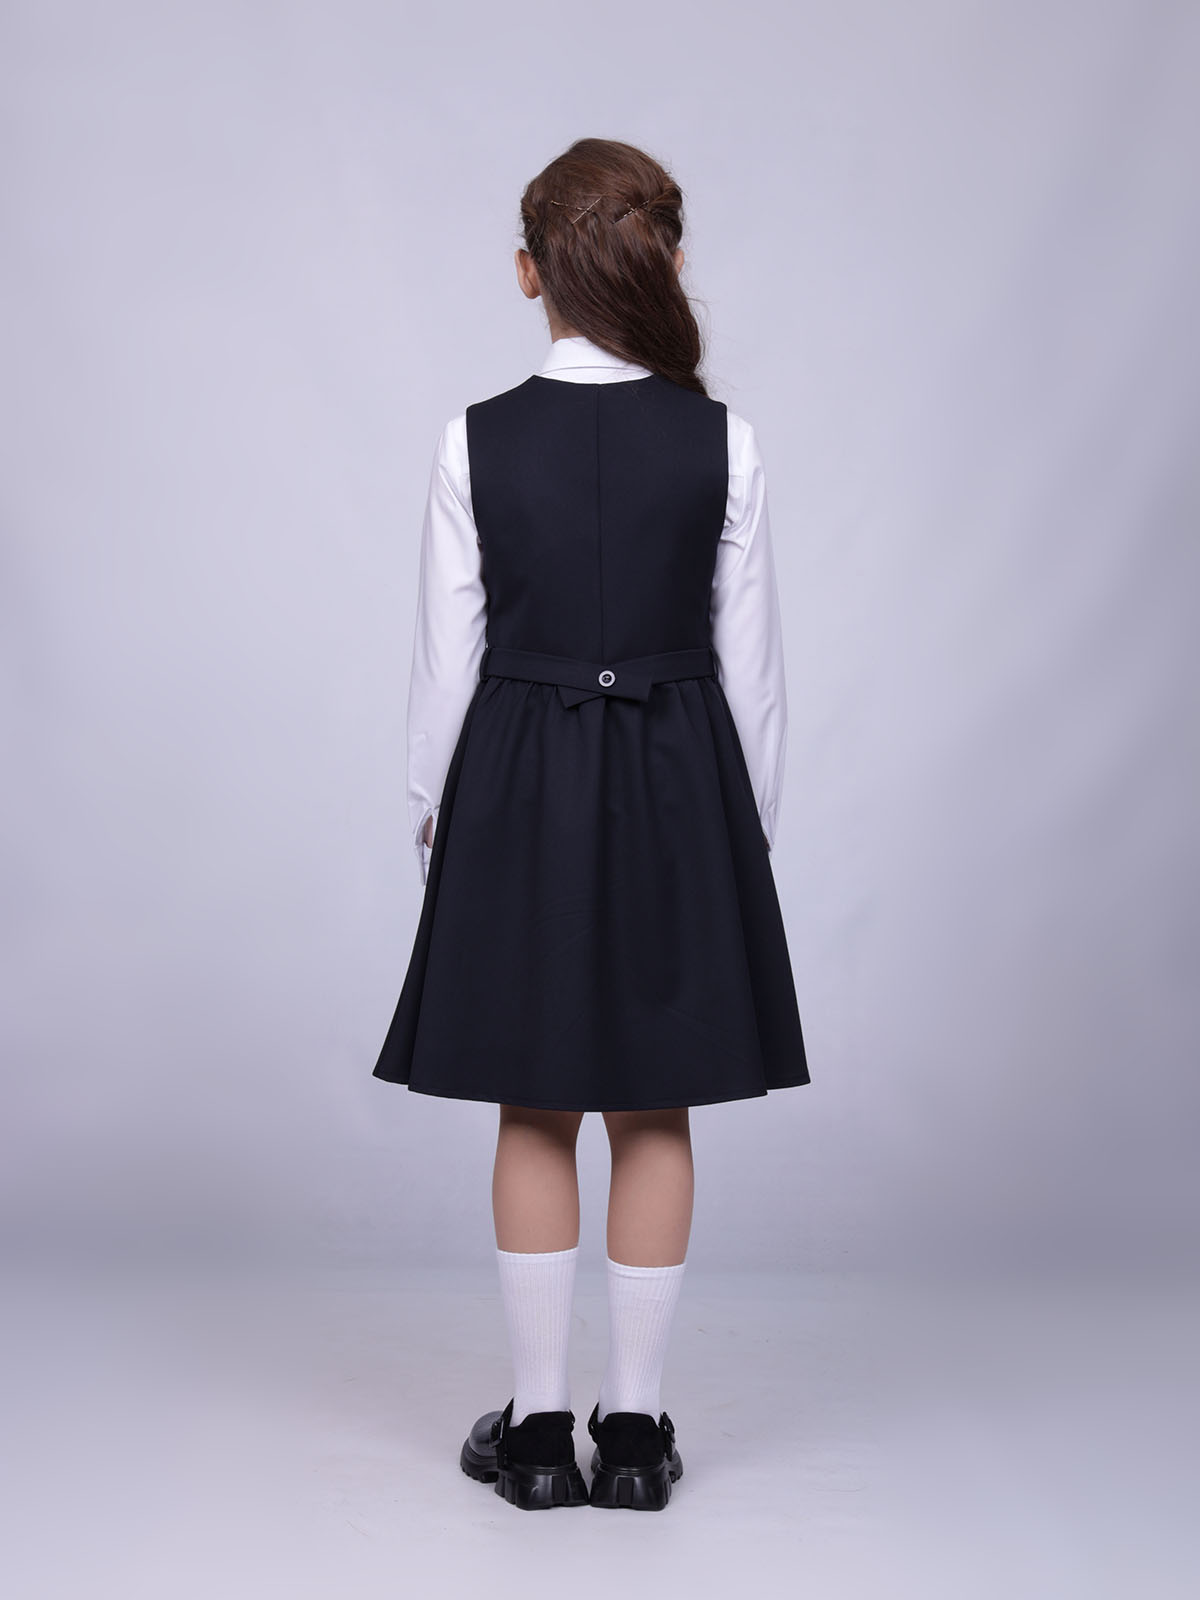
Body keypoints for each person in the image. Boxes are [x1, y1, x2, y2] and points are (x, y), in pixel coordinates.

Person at [372, 138, 810, 1511]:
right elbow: (755, 676)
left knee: (536, 1101)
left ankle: (535, 1435)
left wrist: (435, 817)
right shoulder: (725, 440)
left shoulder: (473, 438)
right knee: (655, 1105)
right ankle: (632, 1436)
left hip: (518, 782)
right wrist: (744, 837)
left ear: (528, 274)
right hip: (683, 783)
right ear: (666, 263)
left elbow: (445, 665)